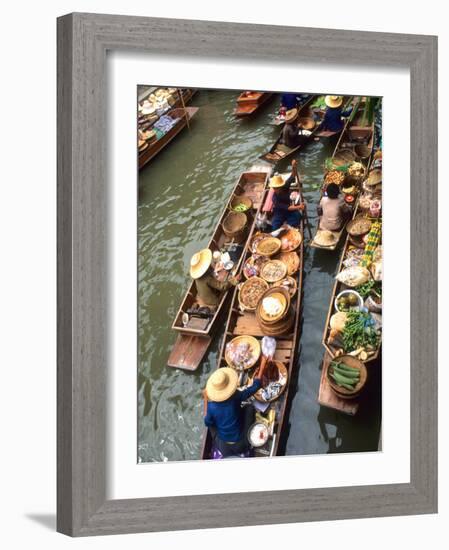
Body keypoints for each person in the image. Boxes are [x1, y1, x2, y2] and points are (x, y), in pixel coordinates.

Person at [203, 356, 270, 458]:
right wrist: (262, 365)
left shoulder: (211, 406)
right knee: (249, 408)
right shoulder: (235, 396)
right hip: (242, 445)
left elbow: (207, 423)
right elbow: (255, 387)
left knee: (210, 422)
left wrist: (205, 399)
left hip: (223, 447)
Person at [270, 160, 305, 231]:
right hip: (279, 212)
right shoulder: (274, 198)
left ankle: (287, 226)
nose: (276, 189)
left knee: (298, 216)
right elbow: (288, 207)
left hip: (289, 210)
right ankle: (285, 226)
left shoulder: (285, 185)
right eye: (274, 188)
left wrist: (293, 166)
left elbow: (293, 174)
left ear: (281, 186)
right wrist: (299, 207)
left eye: (277, 188)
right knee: (274, 227)